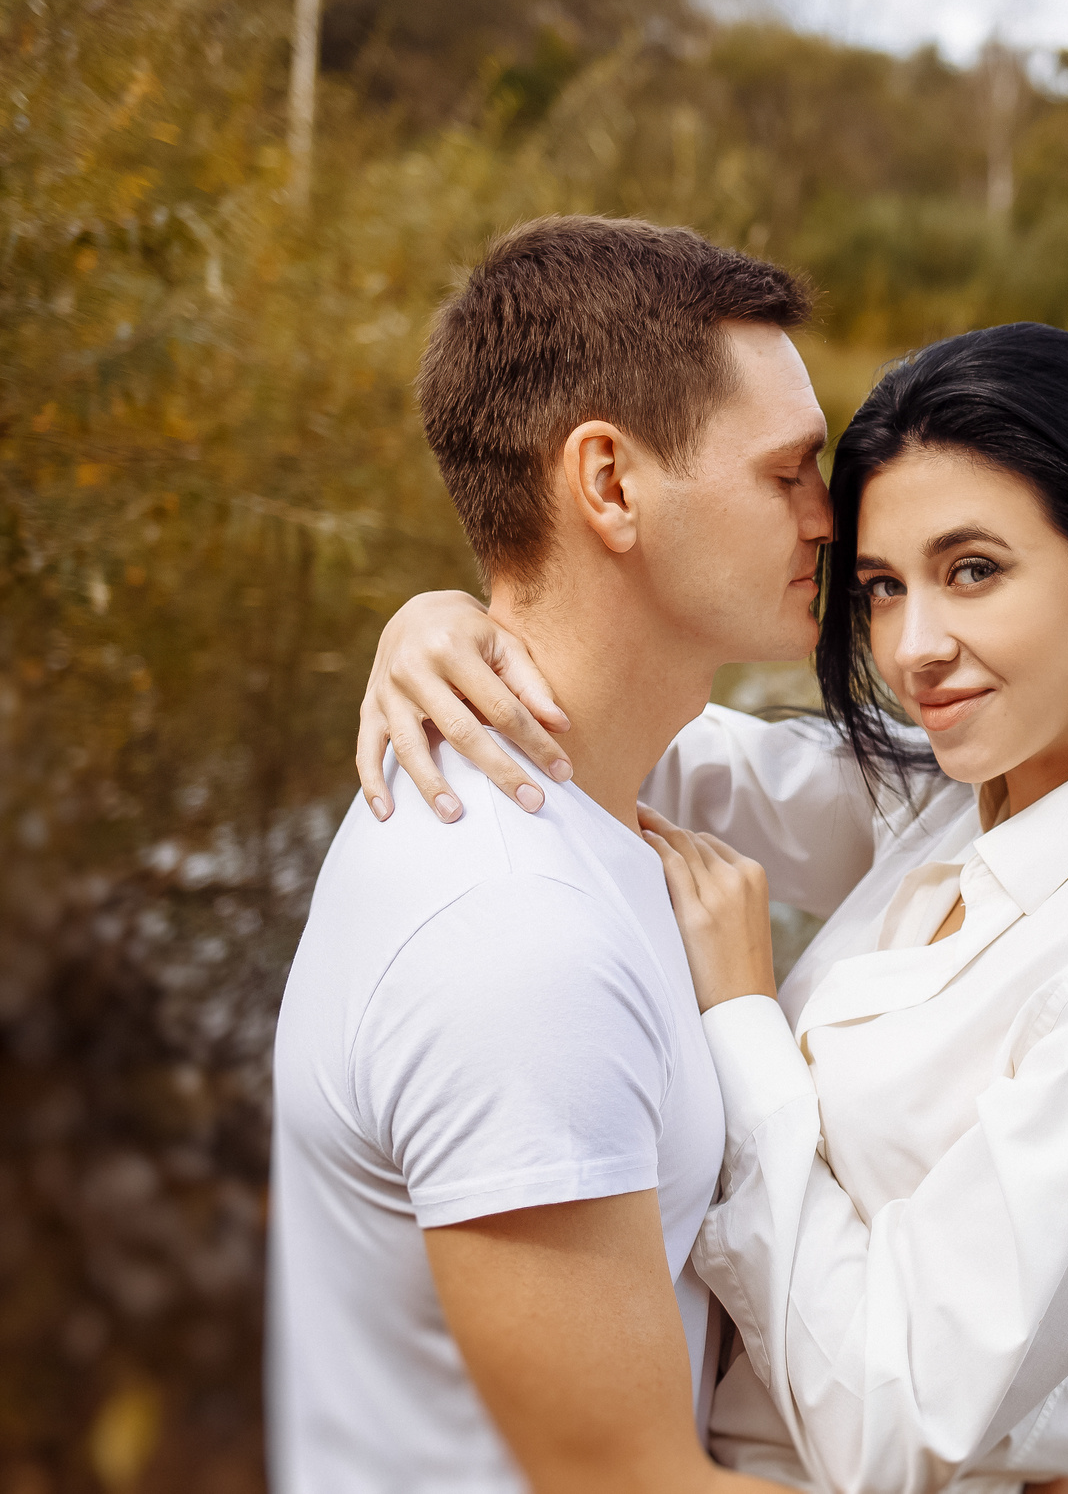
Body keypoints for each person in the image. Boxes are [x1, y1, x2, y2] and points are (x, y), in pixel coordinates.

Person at [357, 323, 1068, 1493]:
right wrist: (445, 628)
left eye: (973, 570)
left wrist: (740, 1018)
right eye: (883, 588)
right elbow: (629, 736)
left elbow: (897, 1428)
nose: (913, 649)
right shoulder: (954, 796)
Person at [267, 215, 832, 1494]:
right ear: (612, 484)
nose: (828, 516)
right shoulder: (515, 939)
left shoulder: (573, 802)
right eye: (788, 472)